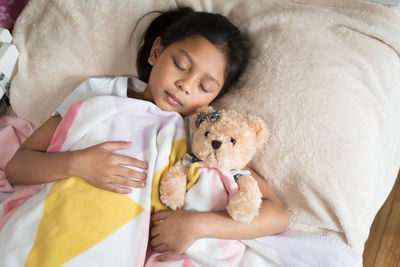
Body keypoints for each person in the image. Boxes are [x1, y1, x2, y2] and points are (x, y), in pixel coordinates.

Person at [5, 7, 289, 262]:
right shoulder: (100, 95)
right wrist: (75, 163)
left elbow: (276, 215)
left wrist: (197, 225)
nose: (185, 85)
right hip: (49, 225)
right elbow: (18, 167)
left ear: (213, 99)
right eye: (181, 66)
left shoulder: (202, 135)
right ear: (156, 52)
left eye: (204, 86)